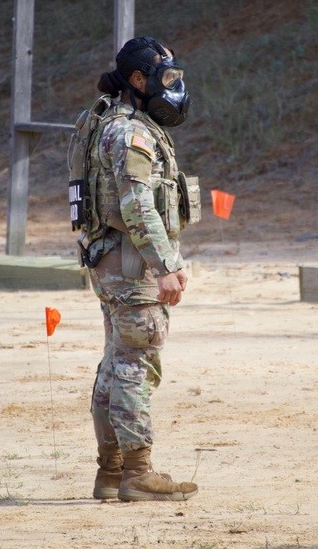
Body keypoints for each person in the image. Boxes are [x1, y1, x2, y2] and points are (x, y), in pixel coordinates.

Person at [71, 36, 199, 501]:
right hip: (131, 261)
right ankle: (138, 475)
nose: (173, 88)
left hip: (112, 258)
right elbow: (136, 201)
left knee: (116, 363)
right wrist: (165, 264)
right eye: (165, 78)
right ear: (138, 80)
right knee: (135, 365)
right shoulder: (131, 132)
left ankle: (111, 474)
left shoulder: (107, 120)